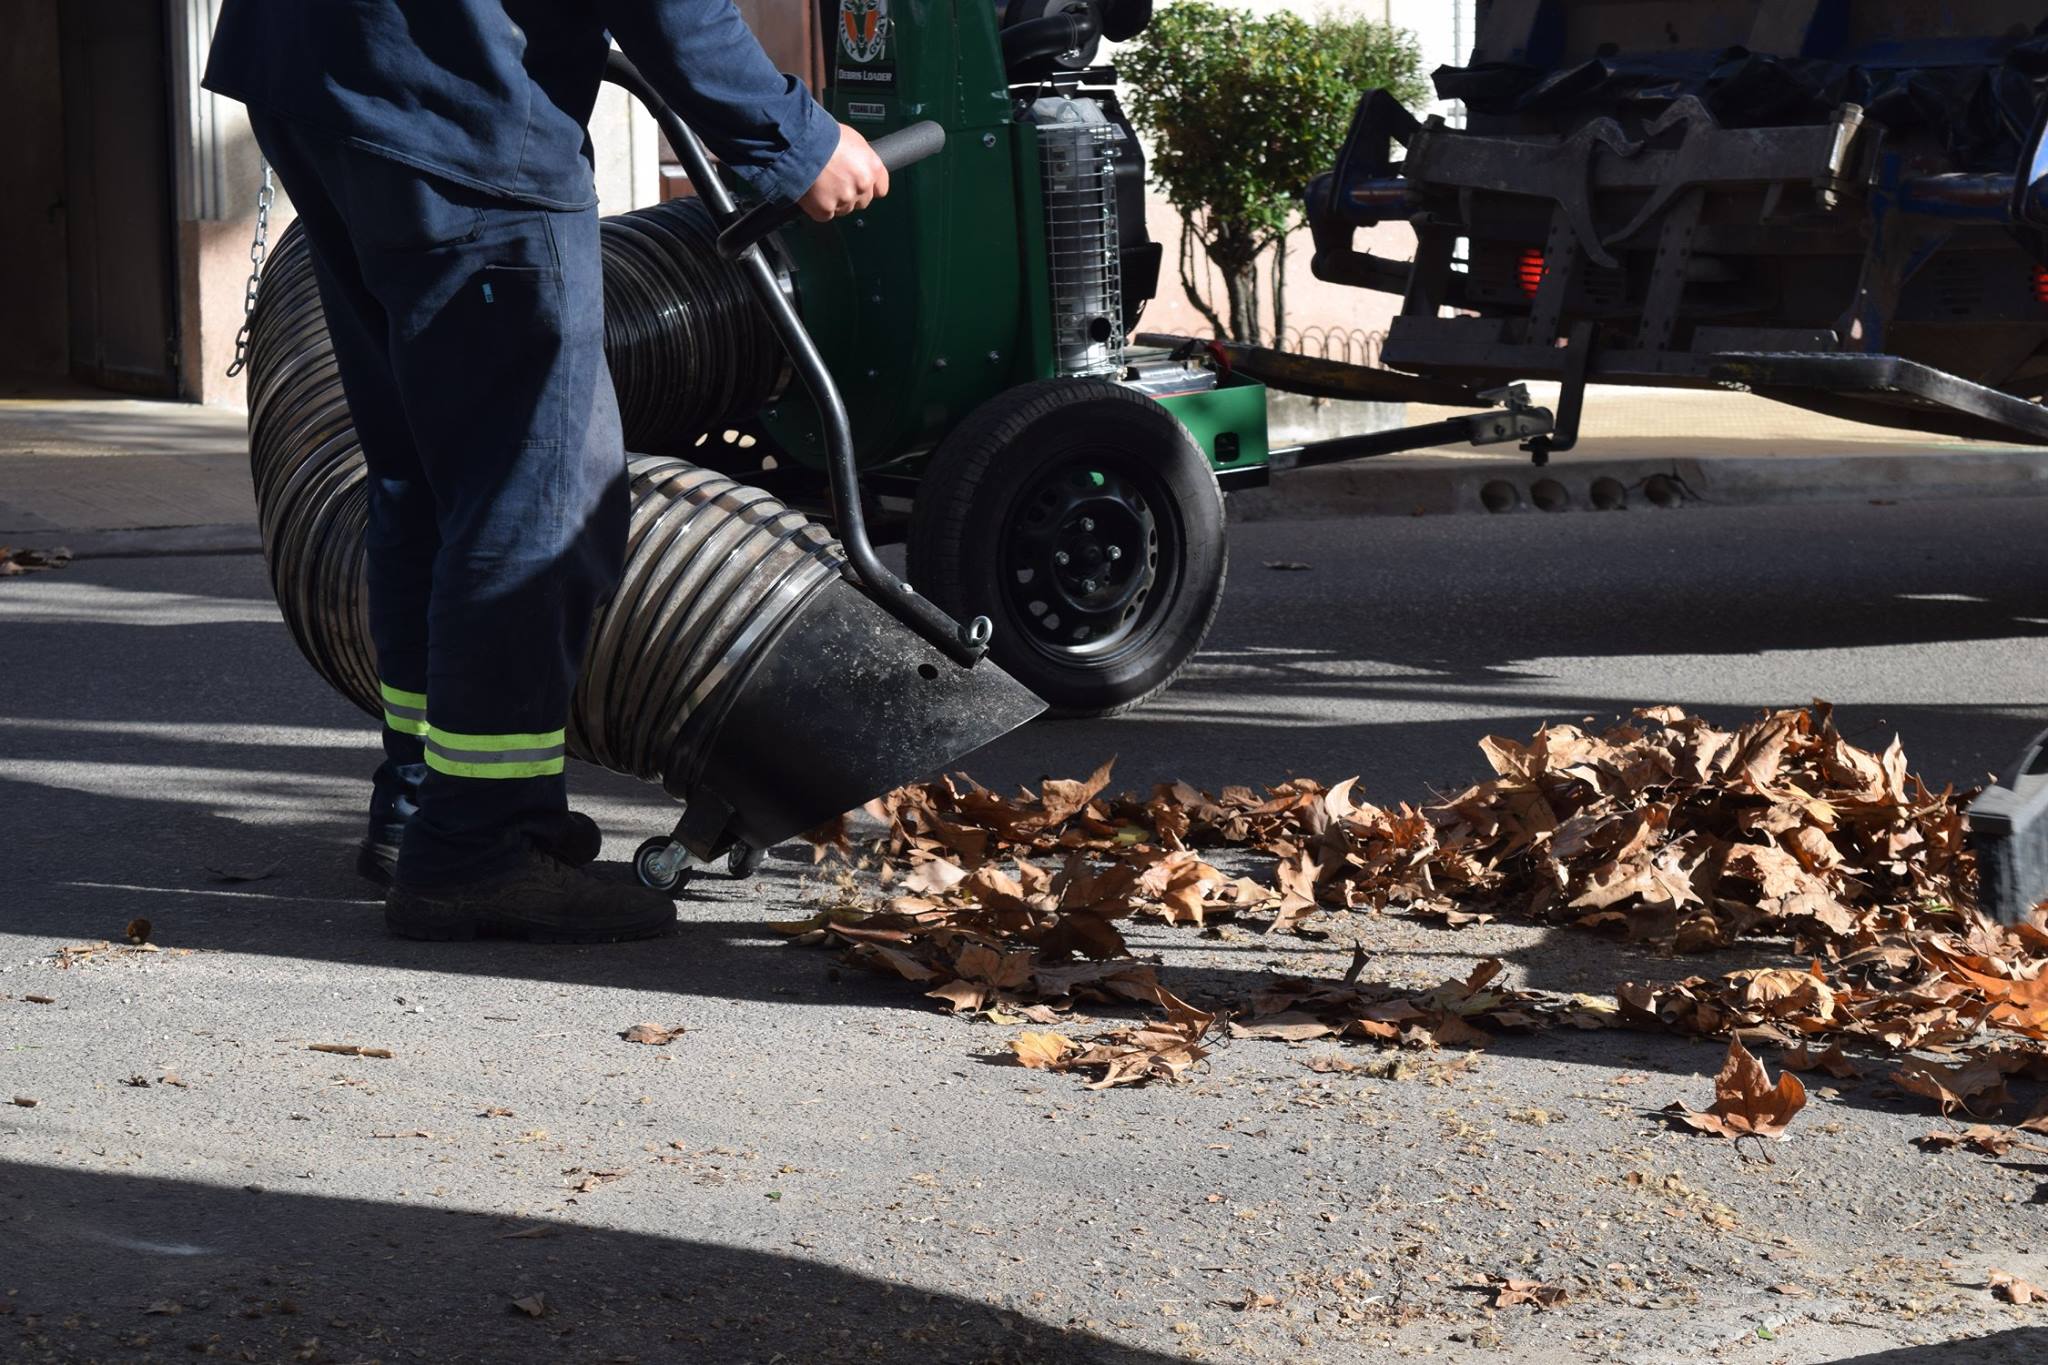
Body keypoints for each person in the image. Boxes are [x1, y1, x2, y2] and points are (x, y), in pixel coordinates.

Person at [203, 2, 888, 943]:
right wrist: (792, 135)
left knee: (426, 475)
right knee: (538, 498)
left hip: (320, 76)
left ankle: (422, 797)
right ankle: (481, 845)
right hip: (459, 110)